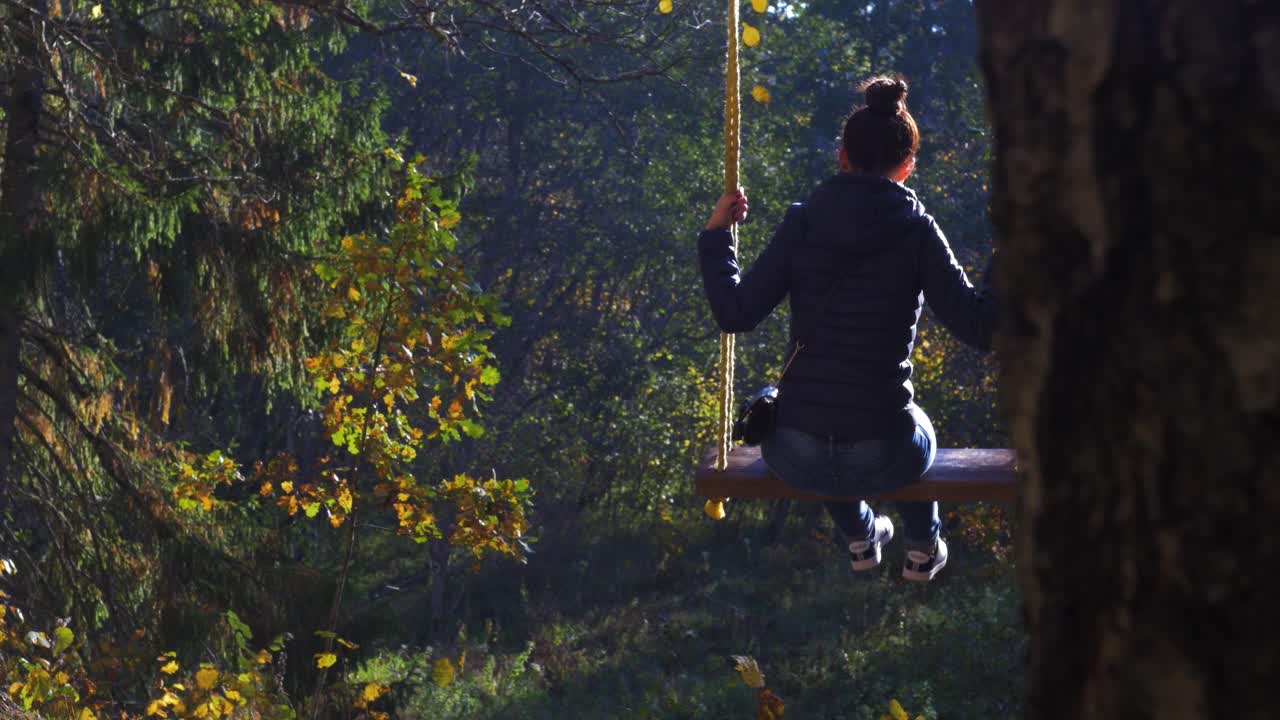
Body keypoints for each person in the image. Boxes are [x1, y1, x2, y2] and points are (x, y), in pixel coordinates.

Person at [697, 76, 1000, 582]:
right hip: (886, 452)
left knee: (807, 412)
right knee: (909, 422)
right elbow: (980, 327)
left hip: (797, 453)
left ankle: (861, 536)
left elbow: (735, 313)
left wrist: (716, 236)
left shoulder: (803, 222)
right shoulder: (917, 230)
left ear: (842, 155)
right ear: (907, 167)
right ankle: (924, 547)